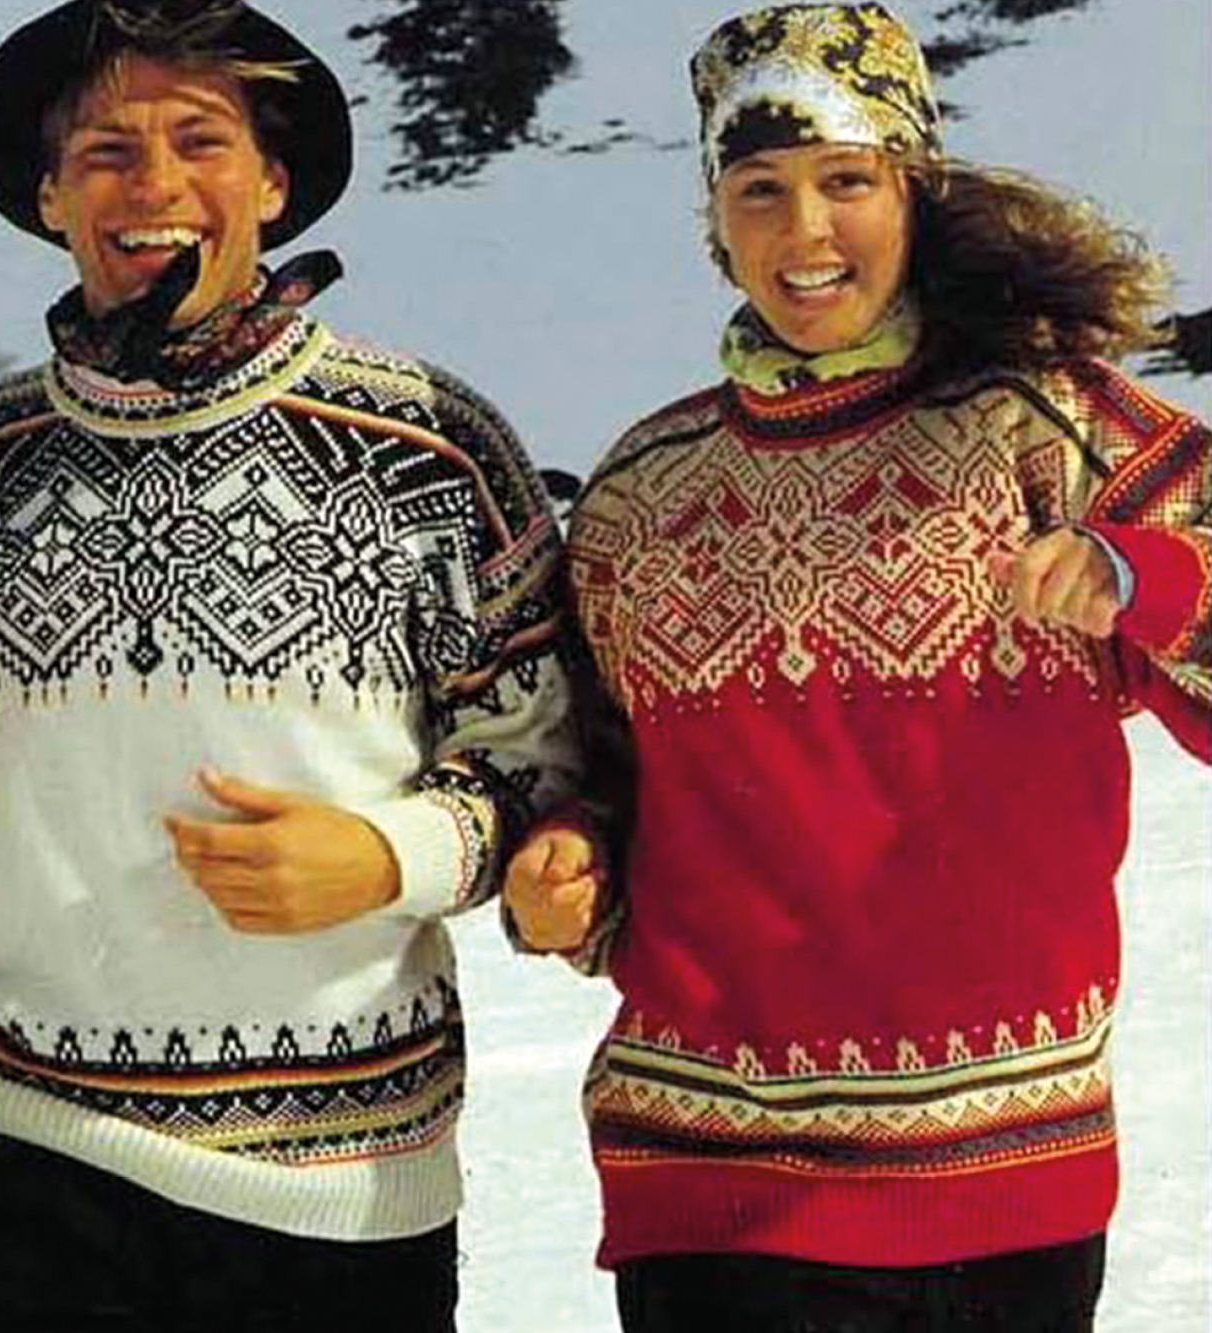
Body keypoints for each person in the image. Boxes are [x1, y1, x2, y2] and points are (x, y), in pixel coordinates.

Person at [0, 2, 586, 1328]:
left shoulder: (430, 445)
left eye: (200, 141)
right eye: (104, 153)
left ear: (270, 179)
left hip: (342, 1187)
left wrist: (387, 858)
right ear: (47, 197)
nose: (152, 188)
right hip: (17, 1155)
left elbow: (540, 762)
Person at [501, 5, 1211, 1330]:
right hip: (706, 1182)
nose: (805, 233)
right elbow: (585, 771)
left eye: (847, 181)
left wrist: (1141, 579)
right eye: (759, 190)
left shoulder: (1042, 422)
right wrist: (564, 861)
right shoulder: (638, 494)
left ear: (914, 190)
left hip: (998, 1177)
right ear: (717, 224)